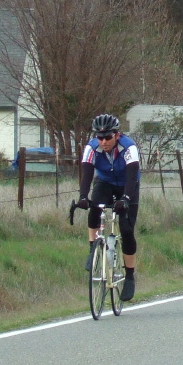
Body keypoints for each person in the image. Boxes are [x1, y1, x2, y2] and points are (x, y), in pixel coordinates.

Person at [78, 114, 140, 302]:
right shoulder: (91, 148)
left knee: (127, 229)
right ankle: (93, 250)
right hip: (104, 182)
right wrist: (82, 196)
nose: (103, 141)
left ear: (117, 135)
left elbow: (132, 175)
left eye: (108, 137)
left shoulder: (128, 147)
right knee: (95, 208)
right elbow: (87, 173)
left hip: (127, 185)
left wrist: (126, 198)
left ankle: (129, 276)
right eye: (100, 137)